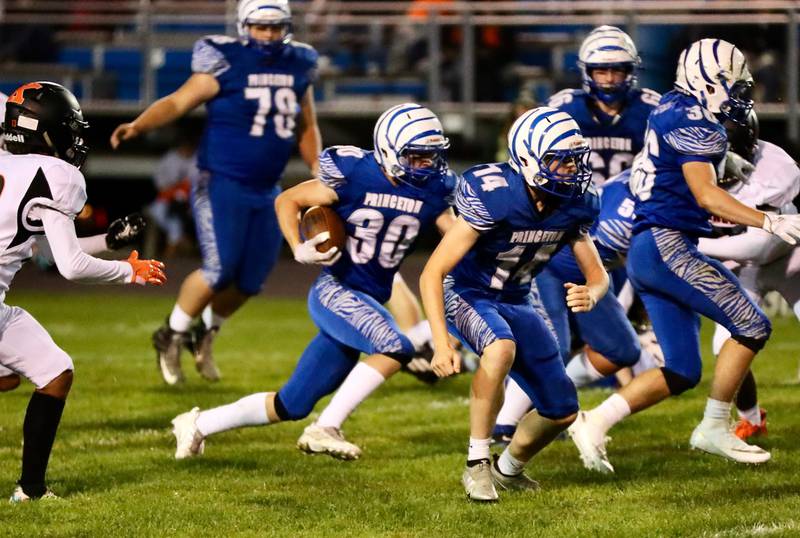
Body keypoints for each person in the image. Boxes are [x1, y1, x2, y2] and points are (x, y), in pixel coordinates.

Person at [169, 103, 455, 461]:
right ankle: (327, 427)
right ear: (387, 150)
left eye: (432, 156)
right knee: (395, 346)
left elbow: (459, 239)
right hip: (337, 290)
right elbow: (289, 199)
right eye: (417, 156)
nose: (427, 165)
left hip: (368, 299)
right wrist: (298, 246)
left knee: (292, 403)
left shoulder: (435, 189)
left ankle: (198, 424)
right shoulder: (355, 173)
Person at [568, 39, 800, 474]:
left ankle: (594, 422)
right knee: (751, 324)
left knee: (681, 369)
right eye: (733, 84)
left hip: (651, 248)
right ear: (710, 81)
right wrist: (766, 221)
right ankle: (714, 426)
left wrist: (722, 157)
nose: (740, 94)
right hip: (667, 246)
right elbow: (706, 196)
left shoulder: (674, 105)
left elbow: (677, 165)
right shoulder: (696, 120)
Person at [110, 0, 322, 384]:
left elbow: (306, 125)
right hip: (222, 181)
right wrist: (139, 125)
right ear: (244, 26)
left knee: (251, 280)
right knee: (219, 269)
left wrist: (317, 168)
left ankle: (204, 334)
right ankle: (170, 334)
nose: (269, 35)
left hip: (267, 189)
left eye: (276, 27)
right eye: (261, 27)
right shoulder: (226, 61)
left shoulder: (299, 62)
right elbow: (178, 101)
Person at [420, 107, 607, 502]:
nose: (571, 170)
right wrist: (440, 341)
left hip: (518, 297)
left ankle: (509, 469)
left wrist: (593, 292)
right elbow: (432, 272)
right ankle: (477, 464)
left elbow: (598, 273)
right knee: (500, 346)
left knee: (562, 410)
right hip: (469, 291)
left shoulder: (578, 202)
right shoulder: (495, 194)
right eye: (560, 160)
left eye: (575, 160)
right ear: (527, 159)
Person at [0, 81, 165, 502]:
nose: (75, 137)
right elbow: (71, 267)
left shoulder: (8, 162)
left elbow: (45, 252)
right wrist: (128, 272)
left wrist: (108, 243)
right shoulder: (56, 175)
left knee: (51, 372)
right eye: (69, 127)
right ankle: (31, 489)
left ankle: (32, 491)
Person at [491, 169, 664, 444]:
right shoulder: (627, 210)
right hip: (548, 265)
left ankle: (547, 400)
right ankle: (503, 425)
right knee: (552, 347)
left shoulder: (639, 186)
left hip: (590, 276)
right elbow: (645, 265)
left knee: (622, 350)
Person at [697, 110, 800, 440]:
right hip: (742, 270)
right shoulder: (690, 170)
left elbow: (762, 246)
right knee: (724, 347)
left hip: (789, 258)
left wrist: (693, 246)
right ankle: (752, 419)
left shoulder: (775, 166)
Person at [548, 25, 660, 187]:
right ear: (587, 71)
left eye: (617, 71)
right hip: (576, 202)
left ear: (630, 71)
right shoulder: (564, 109)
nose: (609, 79)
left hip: (634, 204)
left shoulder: (650, 109)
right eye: (601, 71)